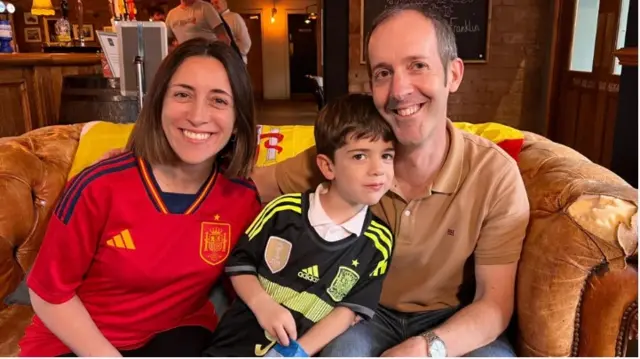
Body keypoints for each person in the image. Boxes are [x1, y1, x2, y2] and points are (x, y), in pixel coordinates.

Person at [250, 4, 530, 357]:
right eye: (383, 73)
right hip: (359, 313)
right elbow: (247, 190)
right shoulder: (347, 156)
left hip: (453, 319)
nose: (399, 89)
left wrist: (426, 348)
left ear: (453, 74)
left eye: (418, 65)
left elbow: (494, 303)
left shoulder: (495, 175)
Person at [18, 38, 261, 357]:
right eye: (183, 94)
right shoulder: (98, 186)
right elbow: (49, 294)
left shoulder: (242, 200)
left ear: (237, 121)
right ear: (159, 103)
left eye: (219, 100)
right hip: (76, 340)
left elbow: (246, 285)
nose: (198, 115)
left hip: (176, 331)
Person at [203, 94, 396, 357]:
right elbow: (240, 264)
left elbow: (348, 311)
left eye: (387, 155)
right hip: (235, 343)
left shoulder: (379, 241)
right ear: (328, 166)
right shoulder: (283, 211)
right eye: (360, 156)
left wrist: (297, 352)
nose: (378, 169)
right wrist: (264, 306)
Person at [166, 0, 230, 47]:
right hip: (185, 57)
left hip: (207, 55)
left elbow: (224, 38)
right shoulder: (171, 14)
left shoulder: (205, 7)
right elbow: (166, 42)